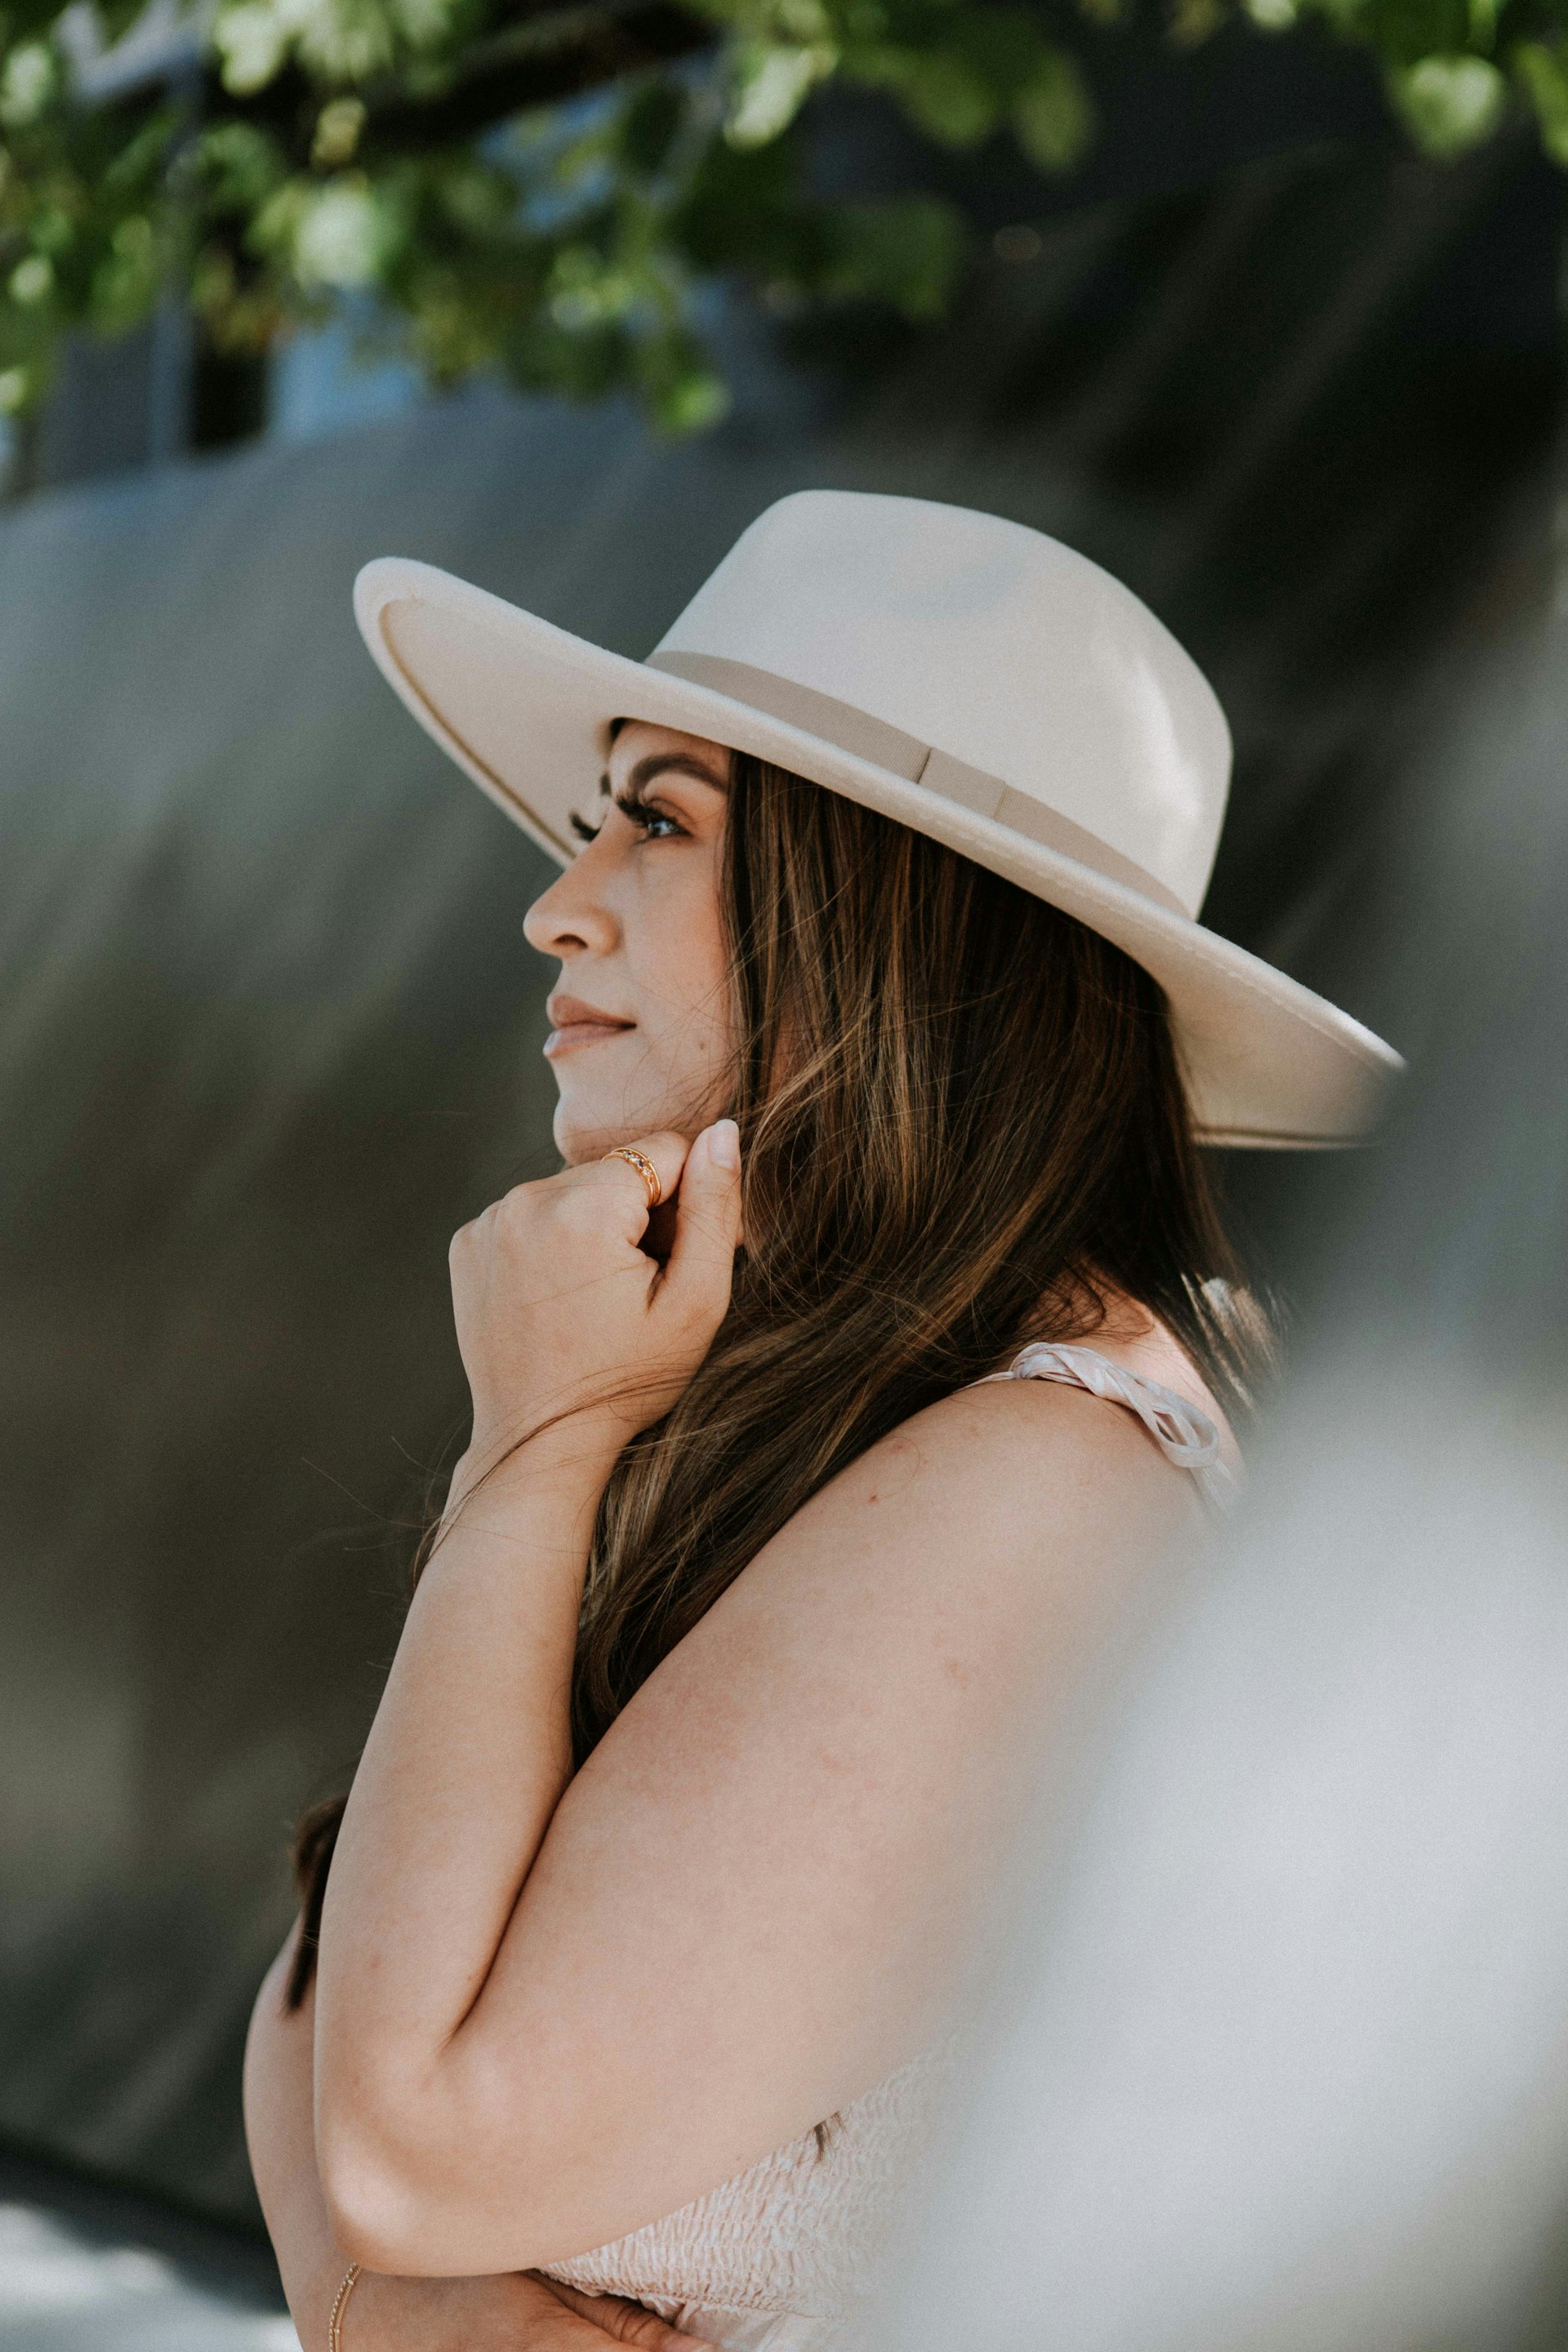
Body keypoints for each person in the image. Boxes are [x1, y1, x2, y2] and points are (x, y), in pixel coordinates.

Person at [242, 491, 1400, 2352]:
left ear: (893, 907)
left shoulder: (1055, 1472)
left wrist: (526, 1449)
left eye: (659, 819)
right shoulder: (829, 1408)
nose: (556, 901)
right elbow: (319, 1990)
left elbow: (405, 2139)